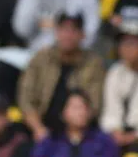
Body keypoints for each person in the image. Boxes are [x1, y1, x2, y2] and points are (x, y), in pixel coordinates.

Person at [0, 0, 100, 98]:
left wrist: (64, 39)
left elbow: (89, 37)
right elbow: (21, 30)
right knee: (0, 69)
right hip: (33, 54)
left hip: (69, 58)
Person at [17, 12, 106, 143]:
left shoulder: (94, 64)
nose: (68, 35)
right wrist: (38, 129)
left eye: (73, 31)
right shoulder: (41, 58)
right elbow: (25, 98)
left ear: (82, 35)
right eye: (63, 30)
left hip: (78, 132)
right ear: (56, 32)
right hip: (39, 127)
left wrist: (72, 132)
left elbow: (94, 105)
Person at [30, 90, 121, 157]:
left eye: (84, 107)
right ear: (62, 112)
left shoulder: (103, 140)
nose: (81, 112)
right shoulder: (50, 141)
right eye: (75, 108)